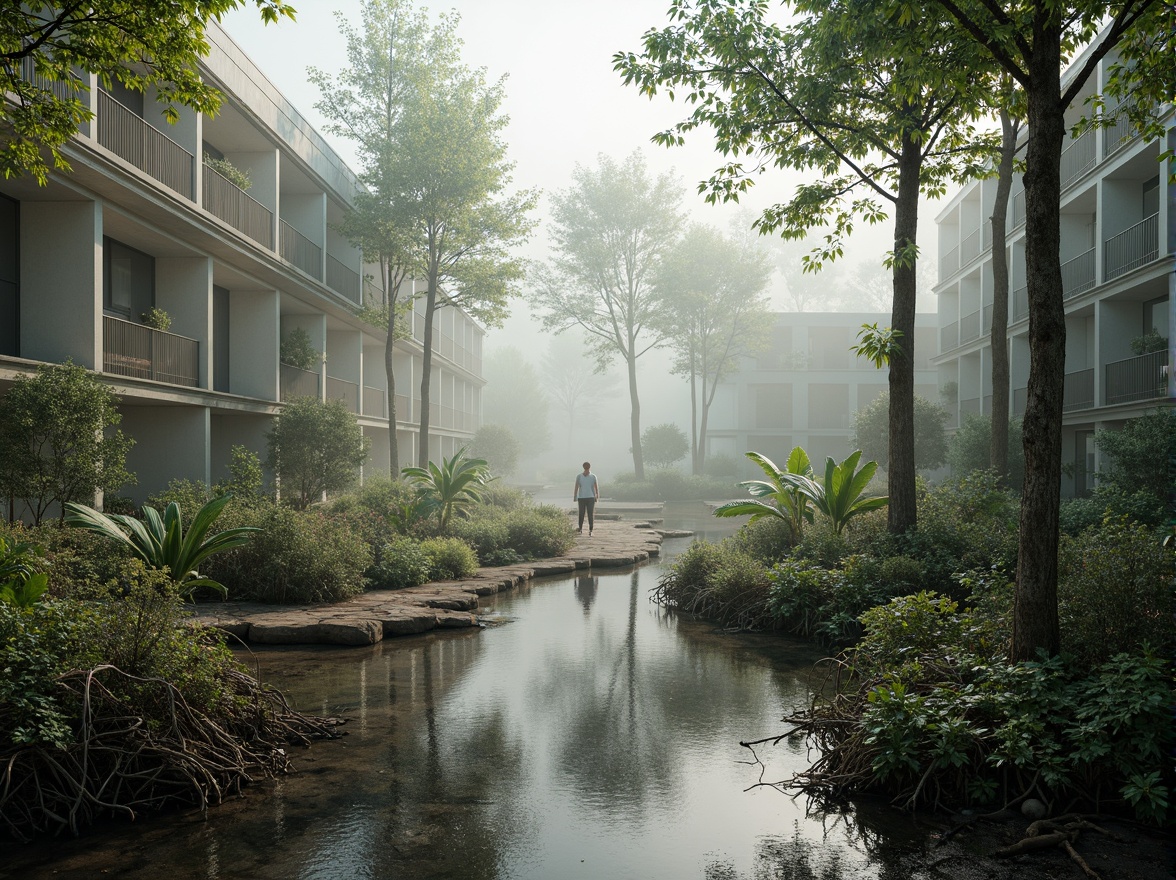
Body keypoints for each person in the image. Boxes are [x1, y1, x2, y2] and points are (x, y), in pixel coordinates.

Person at [573, 461, 599, 535]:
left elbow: (576, 487)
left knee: (585, 514)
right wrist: (597, 496)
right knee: (586, 514)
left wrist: (575, 496)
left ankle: (587, 529)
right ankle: (585, 529)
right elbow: (596, 488)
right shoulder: (582, 476)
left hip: (587, 497)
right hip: (585, 497)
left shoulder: (591, 476)